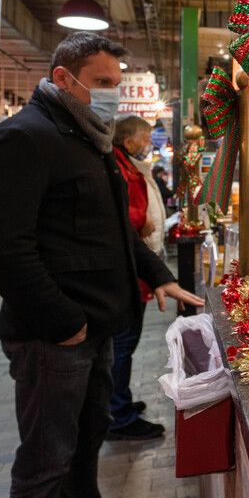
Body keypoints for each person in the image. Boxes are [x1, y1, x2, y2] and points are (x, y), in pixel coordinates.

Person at [0, 32, 204, 498]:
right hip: (53, 336)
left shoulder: (85, 140)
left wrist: (157, 275)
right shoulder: (22, 139)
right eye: (101, 83)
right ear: (62, 78)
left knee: (85, 440)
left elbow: (111, 233)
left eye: (116, 86)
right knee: (43, 460)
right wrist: (63, 322)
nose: (111, 96)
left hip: (96, 324)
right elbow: (1, 247)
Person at [108, 116, 167, 441]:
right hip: (127, 270)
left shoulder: (127, 163)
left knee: (124, 345)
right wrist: (140, 219)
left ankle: (120, 402)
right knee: (122, 344)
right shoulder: (117, 165)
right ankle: (118, 414)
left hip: (137, 266)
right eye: (145, 137)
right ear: (129, 140)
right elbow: (119, 211)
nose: (149, 142)